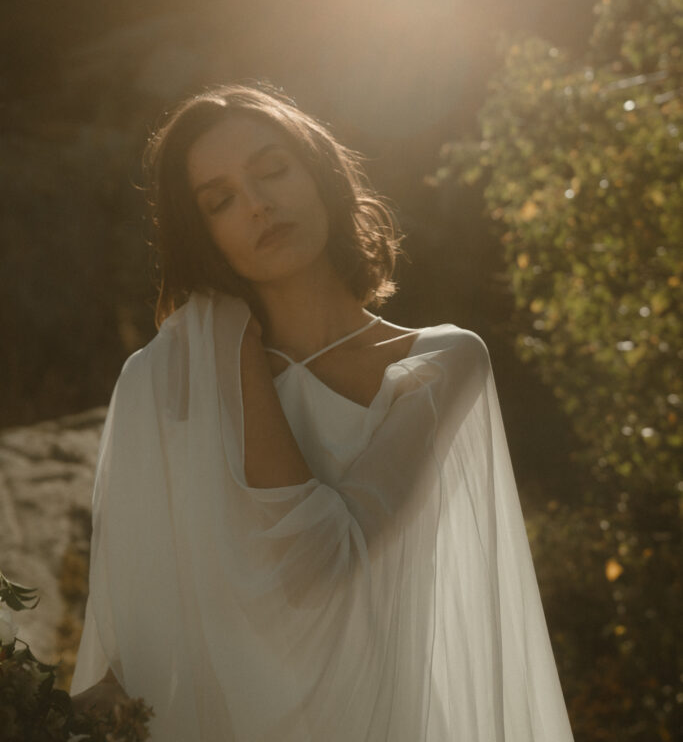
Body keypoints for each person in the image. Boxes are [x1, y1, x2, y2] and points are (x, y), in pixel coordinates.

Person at [70, 83, 575, 741]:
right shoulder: (162, 385)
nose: (257, 204)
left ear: (319, 171)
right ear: (206, 235)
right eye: (220, 200)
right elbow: (121, 667)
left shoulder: (439, 365)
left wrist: (236, 348)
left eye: (272, 168)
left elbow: (316, 569)